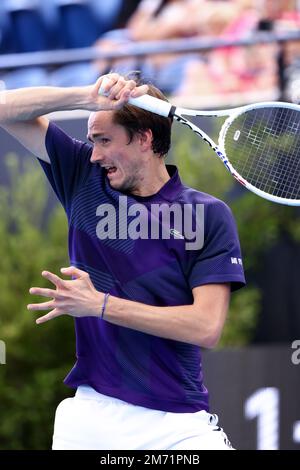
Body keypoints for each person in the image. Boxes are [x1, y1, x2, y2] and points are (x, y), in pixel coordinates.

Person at [0, 72, 245, 450]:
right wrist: (86, 97)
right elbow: (4, 108)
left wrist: (100, 306)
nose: (95, 154)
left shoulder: (208, 215)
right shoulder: (83, 176)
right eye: (91, 141)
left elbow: (205, 327)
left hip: (178, 423)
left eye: (104, 140)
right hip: (91, 418)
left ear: (145, 139)